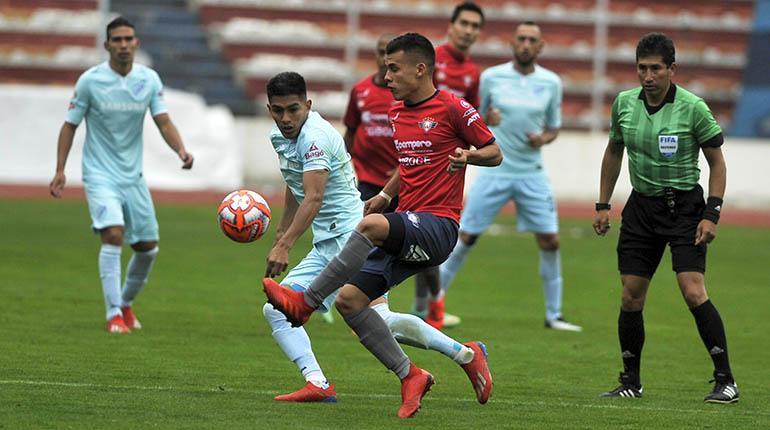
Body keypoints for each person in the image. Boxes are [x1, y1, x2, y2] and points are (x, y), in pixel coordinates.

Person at [263, 33, 501, 418]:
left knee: (370, 227)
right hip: (408, 223)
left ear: (420, 69)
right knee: (350, 302)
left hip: (438, 224)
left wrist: (468, 156)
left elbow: (495, 151)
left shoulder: (453, 106)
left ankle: (305, 303)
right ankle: (418, 372)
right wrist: (388, 194)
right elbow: (407, 164)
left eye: (393, 68)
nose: (386, 75)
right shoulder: (397, 113)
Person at [593, 33, 738, 403]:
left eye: (656, 68)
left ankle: (726, 380)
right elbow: (614, 151)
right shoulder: (624, 104)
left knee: (692, 289)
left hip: (685, 207)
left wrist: (712, 213)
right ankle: (631, 381)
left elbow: (717, 163)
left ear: (671, 69)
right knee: (630, 296)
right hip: (641, 208)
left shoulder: (693, 107)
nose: (648, 76)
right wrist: (603, 204)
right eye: (642, 68)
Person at [49, 17, 194, 334]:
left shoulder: (149, 80)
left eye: (129, 39)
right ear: (107, 45)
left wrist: (181, 150)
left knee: (147, 247)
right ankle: (114, 313)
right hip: (99, 174)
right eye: (117, 40)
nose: (124, 44)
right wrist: (60, 170)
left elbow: (164, 121)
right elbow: (69, 125)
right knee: (113, 234)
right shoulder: (90, 81)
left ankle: (125, 302)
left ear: (136, 43)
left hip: (133, 177)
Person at [438, 22, 582, 332]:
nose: (526, 44)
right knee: (464, 236)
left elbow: (554, 126)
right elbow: (474, 113)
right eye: (521, 39)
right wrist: (486, 118)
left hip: (532, 172)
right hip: (495, 170)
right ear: (512, 43)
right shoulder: (492, 77)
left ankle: (554, 315)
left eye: (532, 40)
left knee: (551, 240)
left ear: (540, 46)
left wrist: (544, 138)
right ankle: (433, 305)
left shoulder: (551, 82)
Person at [415, 0, 485, 329]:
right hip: (417, 155)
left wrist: (465, 155)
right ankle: (429, 304)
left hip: (449, 164)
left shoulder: (472, 73)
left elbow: (470, 117)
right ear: (451, 26)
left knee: (423, 230)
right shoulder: (431, 60)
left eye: (475, 26)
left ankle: (426, 306)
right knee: (412, 229)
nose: (469, 31)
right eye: (465, 24)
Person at [344, 33, 400, 212]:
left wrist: (405, 168)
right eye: (381, 52)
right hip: (367, 179)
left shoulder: (408, 96)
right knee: (364, 233)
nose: (385, 59)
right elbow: (351, 131)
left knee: (398, 236)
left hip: (401, 181)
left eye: (390, 54)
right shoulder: (360, 90)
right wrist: (343, 167)